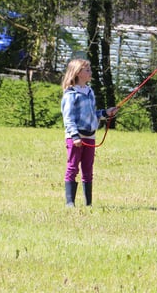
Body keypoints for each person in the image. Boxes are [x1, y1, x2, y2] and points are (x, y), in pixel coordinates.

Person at [60, 59, 118, 207]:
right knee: (73, 167)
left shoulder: (89, 91)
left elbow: (93, 114)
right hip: (76, 137)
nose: (91, 72)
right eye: (87, 70)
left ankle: (88, 203)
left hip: (90, 136)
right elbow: (68, 118)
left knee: (88, 168)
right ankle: (70, 202)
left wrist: (106, 113)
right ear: (78, 73)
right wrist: (75, 136)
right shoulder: (71, 94)